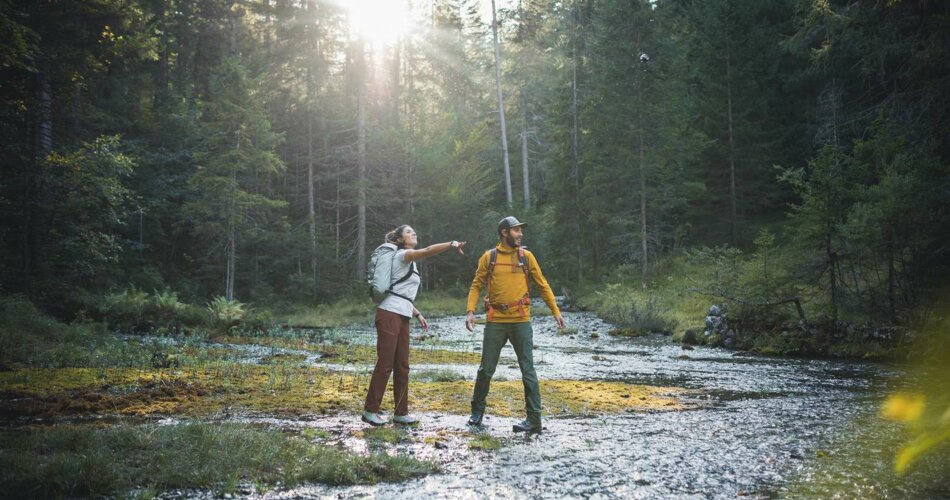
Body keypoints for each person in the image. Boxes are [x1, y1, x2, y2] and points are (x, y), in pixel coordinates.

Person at [465, 216, 565, 433]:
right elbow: (476, 285)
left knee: (527, 369)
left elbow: (543, 285)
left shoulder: (526, 257)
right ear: (504, 233)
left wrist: (555, 312)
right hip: (495, 323)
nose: (520, 234)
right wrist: (470, 311)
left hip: (521, 322)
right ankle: (476, 414)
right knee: (485, 370)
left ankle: (534, 420)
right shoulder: (488, 257)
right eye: (516, 231)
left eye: (520, 231)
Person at [362, 225, 466, 426]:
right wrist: (451, 244)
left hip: (402, 314)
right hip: (389, 314)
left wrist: (417, 313)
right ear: (400, 239)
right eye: (409, 232)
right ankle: (370, 410)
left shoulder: (408, 262)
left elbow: (401, 292)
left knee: (402, 365)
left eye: (414, 231)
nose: (414, 233)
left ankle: (401, 413)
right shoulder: (403, 255)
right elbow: (427, 252)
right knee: (385, 364)